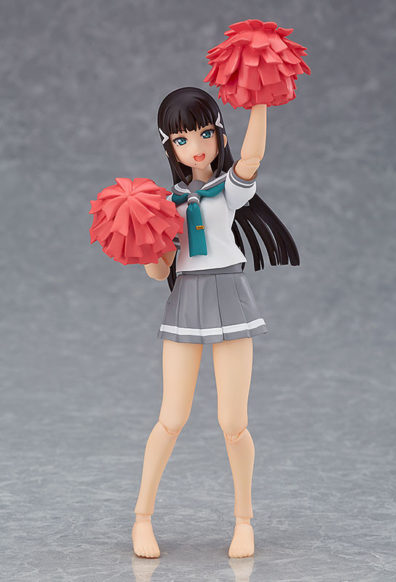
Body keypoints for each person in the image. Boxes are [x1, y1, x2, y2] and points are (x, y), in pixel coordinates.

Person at [132, 87, 299, 559]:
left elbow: (253, 157)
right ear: (169, 147)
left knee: (233, 422)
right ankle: (142, 517)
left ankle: (244, 520)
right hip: (186, 301)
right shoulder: (165, 205)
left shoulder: (226, 190)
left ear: (220, 133)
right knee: (171, 418)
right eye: (182, 139)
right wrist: (143, 241)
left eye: (206, 133)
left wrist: (259, 100)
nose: (196, 146)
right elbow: (159, 271)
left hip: (229, 296)